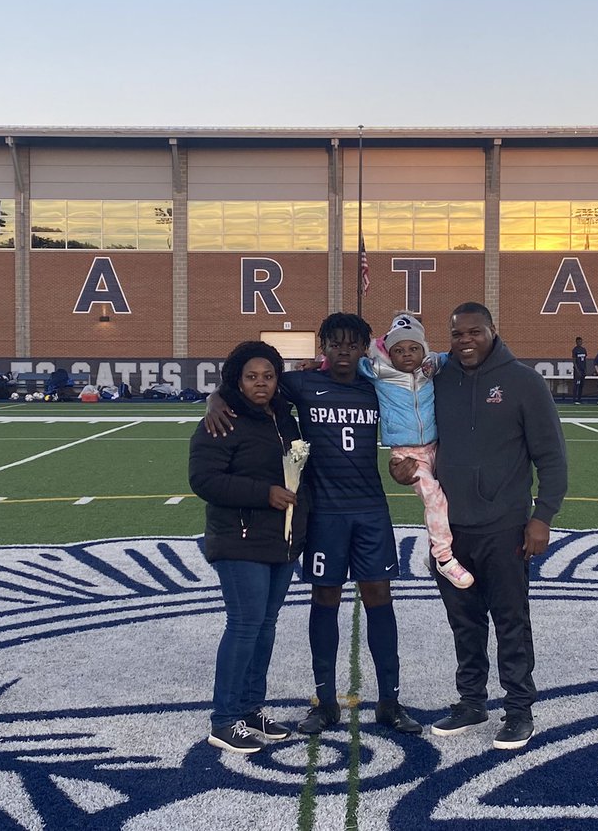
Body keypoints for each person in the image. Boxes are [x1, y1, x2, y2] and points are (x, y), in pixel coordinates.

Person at [205, 313, 422, 738]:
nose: (343, 352)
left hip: (370, 510)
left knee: (380, 597)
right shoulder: (300, 384)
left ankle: (390, 702)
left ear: (365, 349)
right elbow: (251, 387)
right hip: (323, 512)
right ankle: (325, 703)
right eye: (335, 344)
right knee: (325, 598)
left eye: (352, 345)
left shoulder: (378, 385)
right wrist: (215, 397)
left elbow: (420, 394)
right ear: (323, 347)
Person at [391, 302, 568, 751]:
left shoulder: (523, 382)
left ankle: (518, 708)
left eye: (474, 332)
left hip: (505, 525)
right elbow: (415, 430)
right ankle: (472, 701)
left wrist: (542, 516)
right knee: (464, 622)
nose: (465, 341)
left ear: (492, 330)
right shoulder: (439, 378)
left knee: (510, 620)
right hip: (452, 530)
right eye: (457, 334)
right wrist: (405, 467)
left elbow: (551, 456)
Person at [189, 342, 307, 754]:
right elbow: (203, 480)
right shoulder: (222, 420)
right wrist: (264, 493)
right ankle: (223, 719)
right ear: (236, 379)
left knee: (266, 624)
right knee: (244, 624)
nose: (261, 383)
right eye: (252, 376)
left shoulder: (283, 418)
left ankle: (250, 707)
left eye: (269, 376)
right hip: (238, 539)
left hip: (280, 540)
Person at [359, 313, 473, 589]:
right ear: (389, 352)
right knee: (434, 497)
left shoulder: (429, 368)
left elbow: (451, 355)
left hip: (436, 447)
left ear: (423, 349)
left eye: (413, 348)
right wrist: (317, 364)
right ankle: (444, 559)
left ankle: (435, 555)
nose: (406, 355)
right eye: (398, 350)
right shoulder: (378, 372)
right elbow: (349, 363)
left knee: (452, 499)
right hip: (406, 454)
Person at [571, 337, 587, 404]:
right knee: (576, 385)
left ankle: (579, 398)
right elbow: (574, 361)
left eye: (581, 341)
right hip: (578, 371)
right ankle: (575, 399)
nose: (580, 342)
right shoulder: (575, 350)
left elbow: (585, 360)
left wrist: (585, 369)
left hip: (583, 370)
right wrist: (577, 371)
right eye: (578, 341)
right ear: (576, 342)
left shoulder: (584, 350)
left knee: (581, 385)